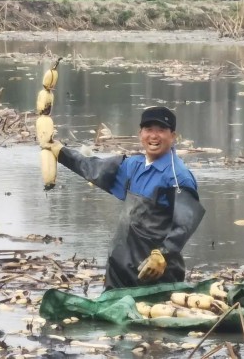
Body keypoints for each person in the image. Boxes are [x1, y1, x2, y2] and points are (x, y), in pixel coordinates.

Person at [45, 106, 205, 290]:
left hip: (154, 275)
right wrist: (61, 153)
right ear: (140, 134)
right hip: (119, 271)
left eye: (161, 130)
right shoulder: (133, 166)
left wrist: (163, 254)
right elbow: (95, 168)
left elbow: (185, 223)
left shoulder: (178, 176)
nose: (154, 135)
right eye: (148, 129)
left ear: (173, 136)